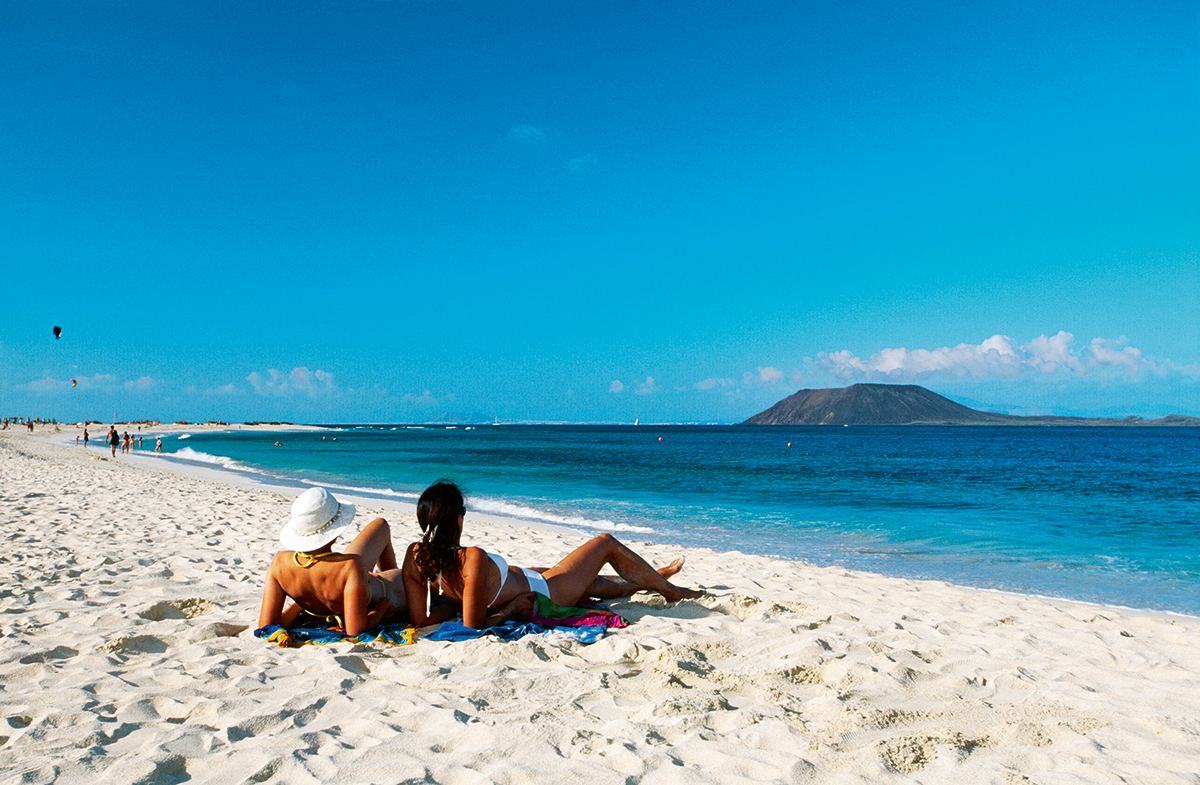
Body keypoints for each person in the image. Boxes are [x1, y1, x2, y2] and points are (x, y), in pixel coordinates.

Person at [402, 481, 703, 630]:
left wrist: (453, 607)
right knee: (605, 543)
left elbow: (421, 618)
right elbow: (472, 625)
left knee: (594, 582)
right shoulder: (472, 559)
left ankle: (654, 577)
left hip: (527, 578)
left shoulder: (415, 556)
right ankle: (670, 591)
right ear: (459, 519)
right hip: (545, 591)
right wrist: (507, 613)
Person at [258, 487, 406, 636]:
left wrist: (302, 604)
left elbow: (266, 627)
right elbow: (356, 630)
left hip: (343, 580)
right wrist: (382, 607)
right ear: (334, 534)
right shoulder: (350, 566)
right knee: (413, 576)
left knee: (380, 525)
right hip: (378, 590)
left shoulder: (279, 564)